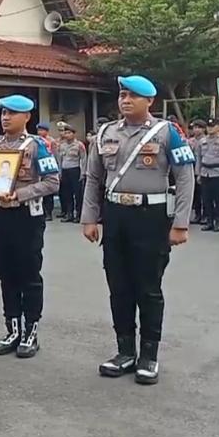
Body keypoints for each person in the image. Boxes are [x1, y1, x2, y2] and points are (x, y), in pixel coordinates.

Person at [82, 75, 195, 386]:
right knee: (118, 287)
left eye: (133, 96)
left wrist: (181, 223)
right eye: (122, 95)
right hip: (115, 215)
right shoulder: (106, 132)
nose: (126, 100)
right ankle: (124, 351)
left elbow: (185, 177)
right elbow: (93, 178)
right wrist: (89, 218)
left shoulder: (167, 132)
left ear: (150, 101)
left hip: (151, 216)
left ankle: (149, 355)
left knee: (148, 288)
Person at [0, 95, 60, 358]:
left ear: (27, 117)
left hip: (27, 216)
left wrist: (20, 194)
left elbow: (52, 182)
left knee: (29, 274)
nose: (5, 117)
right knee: (5, 272)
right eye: (3, 113)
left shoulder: (36, 146)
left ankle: (30, 331)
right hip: (0, 215)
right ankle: (12, 329)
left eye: (12, 113)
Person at [195, 118, 219, 232]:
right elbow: (199, 158)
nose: (210, 129)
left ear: (218, 127)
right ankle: (209, 221)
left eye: (213, 126)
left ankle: (218, 222)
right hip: (205, 172)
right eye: (209, 126)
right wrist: (198, 173)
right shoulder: (202, 141)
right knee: (206, 199)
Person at [57, 125, 87, 223]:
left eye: (69, 133)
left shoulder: (79, 145)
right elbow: (60, 160)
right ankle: (69, 214)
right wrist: (60, 172)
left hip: (75, 170)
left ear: (74, 134)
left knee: (78, 194)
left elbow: (83, 159)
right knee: (67, 194)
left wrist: (83, 173)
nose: (67, 135)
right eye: (66, 133)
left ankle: (78, 215)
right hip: (65, 170)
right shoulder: (62, 145)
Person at [36, 123, 58, 221]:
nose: (39, 132)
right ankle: (42, 212)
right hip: (39, 167)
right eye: (38, 130)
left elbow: (55, 155)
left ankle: (49, 213)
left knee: (48, 192)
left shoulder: (51, 141)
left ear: (47, 131)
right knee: (40, 192)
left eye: (42, 130)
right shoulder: (37, 140)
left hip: (48, 166)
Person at [188, 119, 207, 224]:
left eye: (199, 127)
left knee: (204, 194)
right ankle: (197, 214)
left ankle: (205, 215)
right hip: (191, 168)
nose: (196, 130)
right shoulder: (190, 141)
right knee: (195, 194)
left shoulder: (206, 140)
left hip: (203, 168)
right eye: (195, 127)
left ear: (204, 129)